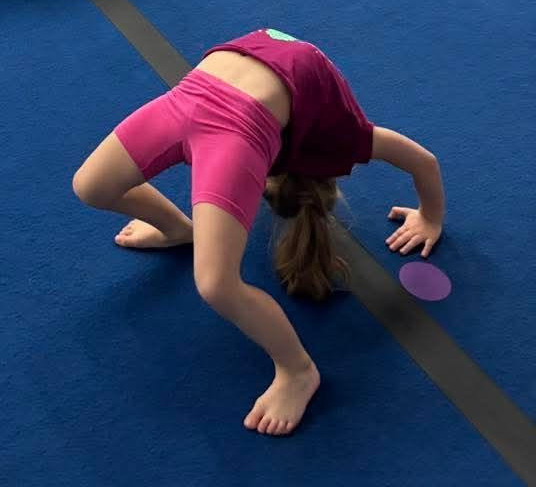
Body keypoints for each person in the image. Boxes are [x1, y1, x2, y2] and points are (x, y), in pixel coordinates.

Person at [72, 28, 445, 437]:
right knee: (91, 186)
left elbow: (422, 160)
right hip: (190, 95)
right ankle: (179, 228)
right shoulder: (332, 116)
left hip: (234, 125)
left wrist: (430, 220)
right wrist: (430, 215)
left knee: (216, 283)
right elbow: (422, 161)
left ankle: (298, 370)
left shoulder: (338, 129)